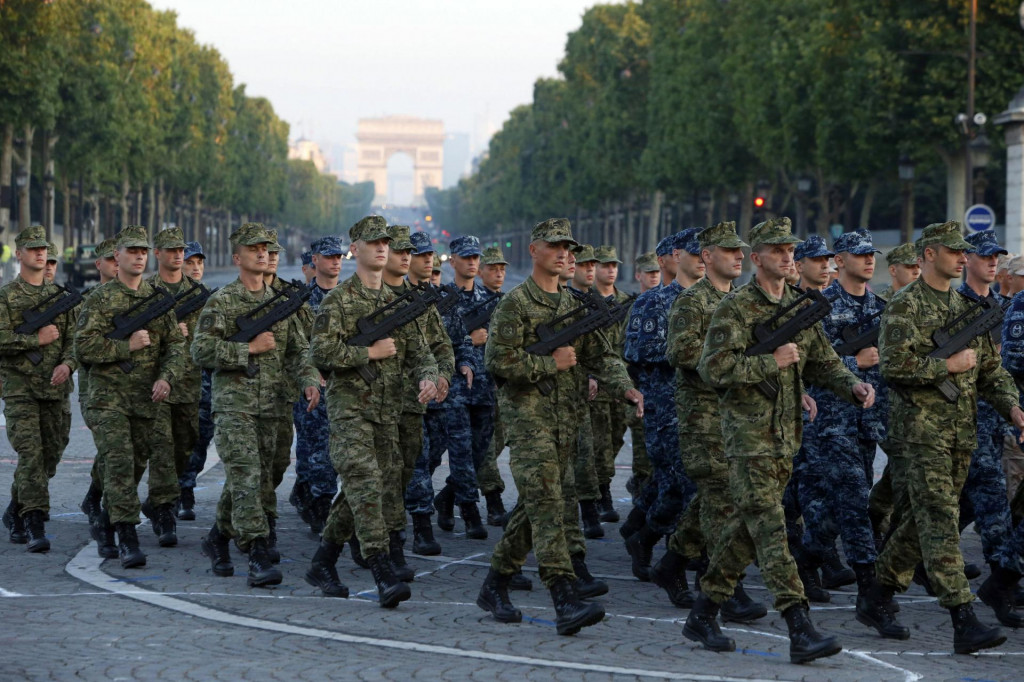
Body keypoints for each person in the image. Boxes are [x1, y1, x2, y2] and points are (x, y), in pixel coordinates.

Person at [684, 217, 876, 664]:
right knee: (771, 529)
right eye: (776, 250)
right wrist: (769, 362)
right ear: (757, 258)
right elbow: (714, 370)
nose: (787, 256)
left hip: (785, 434)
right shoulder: (734, 309)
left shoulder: (799, 305)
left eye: (790, 249)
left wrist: (852, 386)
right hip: (747, 438)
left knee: (746, 533)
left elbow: (823, 362)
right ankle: (799, 625)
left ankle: (703, 611)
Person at [475, 217, 642, 636]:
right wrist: (549, 364)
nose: (565, 253)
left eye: (568, 246)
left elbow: (601, 355)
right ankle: (563, 594)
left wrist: (625, 388)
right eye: (555, 246)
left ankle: (494, 585)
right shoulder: (515, 304)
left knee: (536, 507)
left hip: (568, 418)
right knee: (548, 502)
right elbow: (498, 361)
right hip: (528, 419)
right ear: (534, 250)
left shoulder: (573, 304)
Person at [869, 221, 1024, 655]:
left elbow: (991, 372)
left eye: (963, 252)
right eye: (954, 251)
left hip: (961, 433)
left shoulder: (966, 307)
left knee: (921, 522)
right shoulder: (905, 305)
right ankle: (964, 617)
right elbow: (893, 367)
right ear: (930, 254)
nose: (962, 257)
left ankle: (877, 594)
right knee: (938, 522)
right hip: (919, 433)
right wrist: (946, 367)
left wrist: (1012, 406)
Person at [304, 215, 438, 606]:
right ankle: (381, 570)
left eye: (386, 242)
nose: (382, 248)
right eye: (373, 242)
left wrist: (429, 377)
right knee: (364, 483)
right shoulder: (338, 301)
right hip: (349, 410)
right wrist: (368, 352)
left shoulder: (399, 303)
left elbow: (420, 352)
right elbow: (321, 352)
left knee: (368, 489)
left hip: (388, 411)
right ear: (355, 250)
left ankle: (323, 561)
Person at [192, 223, 319, 587]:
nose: (263, 253)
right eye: (253, 248)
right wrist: (246, 348)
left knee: (267, 477)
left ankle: (218, 536)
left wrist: (309, 380)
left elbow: (299, 351)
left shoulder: (282, 302)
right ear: (237, 258)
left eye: (266, 248)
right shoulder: (223, 301)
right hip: (235, 405)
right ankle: (257, 552)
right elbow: (200, 350)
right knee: (247, 477)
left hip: (277, 404)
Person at [797, 230, 907, 639]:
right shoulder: (818, 307)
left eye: (870, 254)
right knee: (857, 503)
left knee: (831, 513)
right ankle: (871, 596)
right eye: (858, 255)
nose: (868, 261)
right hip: (829, 420)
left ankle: (807, 557)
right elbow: (806, 361)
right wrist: (852, 360)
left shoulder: (882, 307)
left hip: (869, 418)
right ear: (839, 261)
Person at [662, 221, 765, 622]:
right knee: (723, 500)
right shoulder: (692, 302)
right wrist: (730, 359)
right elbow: (680, 353)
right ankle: (725, 588)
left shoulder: (740, 301)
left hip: (737, 416)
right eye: (729, 250)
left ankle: (671, 563)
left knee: (718, 498)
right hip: (702, 415)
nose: (739, 256)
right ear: (707, 257)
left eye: (740, 250)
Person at [74, 225, 187, 569]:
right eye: (131, 251)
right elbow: (83, 346)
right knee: (121, 464)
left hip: (145, 400)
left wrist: (167, 377)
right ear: (117, 257)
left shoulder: (158, 302)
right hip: (108, 399)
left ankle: (107, 521)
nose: (138, 256)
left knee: (135, 465)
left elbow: (177, 347)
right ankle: (126, 536)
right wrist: (126, 346)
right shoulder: (99, 299)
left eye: (142, 251)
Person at [622, 229, 705, 583]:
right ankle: (677, 554)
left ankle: (646, 534)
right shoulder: (652, 302)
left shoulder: (714, 299)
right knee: (684, 483)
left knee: (678, 486)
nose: (704, 258)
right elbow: (636, 354)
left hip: (704, 409)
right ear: (676, 255)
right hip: (665, 407)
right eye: (696, 252)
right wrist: (691, 352)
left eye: (708, 252)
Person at [953, 230, 1024, 628]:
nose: (993, 262)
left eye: (998, 255)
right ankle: (1001, 583)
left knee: (978, 500)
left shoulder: (1002, 305)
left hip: (1000, 415)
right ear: (967, 259)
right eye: (986, 256)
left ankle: (1002, 580)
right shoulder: (954, 304)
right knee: (991, 500)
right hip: (968, 416)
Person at [377, 224, 454, 579]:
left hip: (411, 405)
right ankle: (388, 544)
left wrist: (441, 376)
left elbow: (440, 347)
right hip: (370, 406)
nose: (407, 256)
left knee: (408, 470)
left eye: (412, 251)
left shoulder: (420, 301)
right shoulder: (362, 295)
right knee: (375, 476)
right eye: (400, 250)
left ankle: (393, 536)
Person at [0, 226, 79, 552]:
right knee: (31, 455)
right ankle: (35, 522)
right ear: (19, 254)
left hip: (55, 389)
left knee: (50, 456)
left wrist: (68, 364)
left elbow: (76, 340)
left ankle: (16, 509)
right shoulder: (6, 297)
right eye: (32, 249)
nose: (39, 253)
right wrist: (35, 340)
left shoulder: (61, 298)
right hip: (20, 389)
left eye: (43, 249)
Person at [404, 230, 468, 555]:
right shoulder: (394, 297)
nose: (428, 259)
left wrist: (446, 373)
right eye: (421, 254)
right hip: (404, 397)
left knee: (429, 457)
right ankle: (420, 526)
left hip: (437, 397)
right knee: (414, 459)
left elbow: (449, 343)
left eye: (431, 254)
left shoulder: (436, 299)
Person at [141, 227, 204, 547]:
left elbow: (209, 338)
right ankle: (164, 511)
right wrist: (165, 334)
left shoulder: (198, 293)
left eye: (181, 250)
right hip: (153, 384)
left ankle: (159, 500)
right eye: (171, 250)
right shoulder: (144, 290)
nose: (178, 255)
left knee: (185, 447)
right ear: (158, 254)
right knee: (162, 449)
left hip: (188, 383)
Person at [434, 235, 495, 540]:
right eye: (466, 257)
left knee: (480, 452)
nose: (472, 262)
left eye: (475, 257)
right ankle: (469, 510)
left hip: (485, 387)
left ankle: (445, 498)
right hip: (456, 387)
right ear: (453, 261)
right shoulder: (443, 300)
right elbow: (437, 342)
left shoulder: (491, 299)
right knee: (460, 450)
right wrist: (471, 341)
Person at [290, 235, 344, 534]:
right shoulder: (302, 301)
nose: (336, 261)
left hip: (343, 386)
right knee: (313, 449)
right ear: (315, 262)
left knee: (333, 451)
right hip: (312, 385)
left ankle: (314, 496)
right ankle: (317, 502)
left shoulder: (349, 298)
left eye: (339, 256)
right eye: (329, 256)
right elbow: (297, 345)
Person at [77, 237, 119, 552]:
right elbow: (80, 349)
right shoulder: (88, 300)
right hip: (97, 389)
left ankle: (94, 494)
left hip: (132, 392)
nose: (116, 265)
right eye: (110, 259)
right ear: (99, 264)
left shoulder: (138, 299)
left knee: (117, 454)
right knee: (113, 450)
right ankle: (107, 515)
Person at [589, 245, 633, 524]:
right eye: (605, 265)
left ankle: (599, 484)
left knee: (616, 439)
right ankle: (601, 492)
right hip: (597, 386)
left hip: (622, 382)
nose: (610, 270)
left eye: (613, 265)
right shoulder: (586, 302)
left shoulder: (628, 302)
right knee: (598, 443)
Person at [566, 244, 604, 539]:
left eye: (594, 264)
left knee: (588, 453)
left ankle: (589, 510)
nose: (589, 269)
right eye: (584, 264)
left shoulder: (590, 302)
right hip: (545, 401)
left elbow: (599, 352)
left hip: (581, 392)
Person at [476, 245, 510, 526]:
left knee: (494, 444)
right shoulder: (471, 301)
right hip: (475, 386)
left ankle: (449, 493)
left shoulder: (508, 302)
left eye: (502, 269)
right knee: (484, 447)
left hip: (502, 386)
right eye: (492, 268)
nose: (499, 273)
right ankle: (493, 500)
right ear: (480, 271)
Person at [177, 241, 210, 521]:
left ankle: (185, 485)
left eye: (199, 262)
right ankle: (177, 490)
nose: (195, 267)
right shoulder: (168, 300)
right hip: (176, 380)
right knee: (177, 440)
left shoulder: (211, 298)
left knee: (200, 438)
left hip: (205, 381)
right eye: (190, 262)